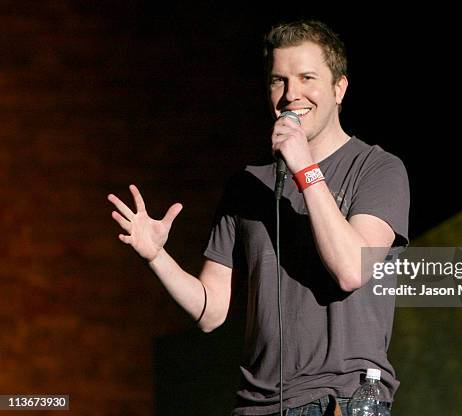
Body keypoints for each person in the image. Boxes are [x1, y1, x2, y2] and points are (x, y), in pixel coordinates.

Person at [108, 20, 409, 416]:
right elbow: (211, 310)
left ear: (339, 88)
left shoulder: (377, 169)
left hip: (340, 400)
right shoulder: (247, 185)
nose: (290, 94)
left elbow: (351, 268)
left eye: (306, 78)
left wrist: (304, 168)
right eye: (278, 80)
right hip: (255, 407)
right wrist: (156, 257)